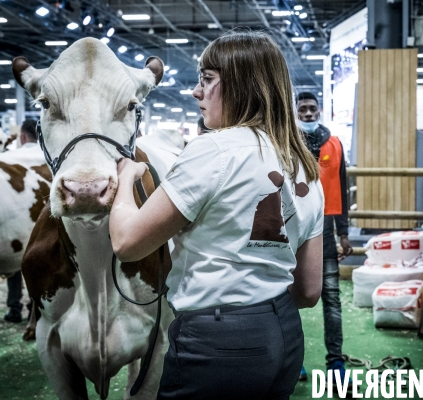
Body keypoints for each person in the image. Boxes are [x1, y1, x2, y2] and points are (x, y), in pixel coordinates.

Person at [109, 31, 324, 400]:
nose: (196, 91)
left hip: (217, 342)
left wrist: (127, 181)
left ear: (242, 85)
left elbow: (127, 243)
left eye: (207, 79)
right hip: (285, 335)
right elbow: (308, 290)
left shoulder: (213, 150)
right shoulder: (303, 166)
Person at [294, 91, 352, 383]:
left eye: (311, 109)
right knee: (288, 297)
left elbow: (342, 187)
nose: (307, 113)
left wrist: (344, 232)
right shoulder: (286, 142)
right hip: (293, 229)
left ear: (318, 111)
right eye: (302, 109)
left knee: (331, 297)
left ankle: (336, 365)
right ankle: (293, 363)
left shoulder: (335, 144)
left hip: (327, 229)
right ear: (296, 111)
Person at [4, 119, 38, 323]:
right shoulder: (50, 160)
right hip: (43, 226)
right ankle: (36, 305)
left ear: (23, 137)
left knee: (14, 263)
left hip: (15, 222)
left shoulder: (9, 160)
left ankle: (14, 307)